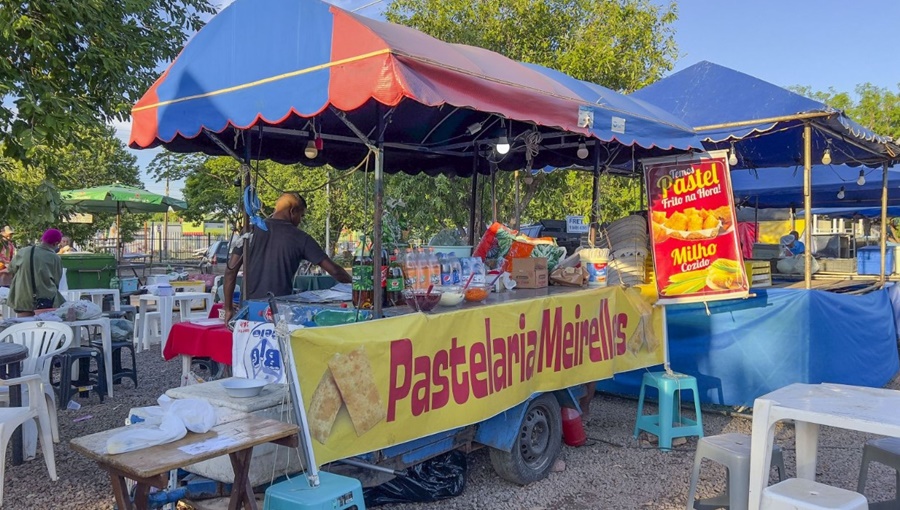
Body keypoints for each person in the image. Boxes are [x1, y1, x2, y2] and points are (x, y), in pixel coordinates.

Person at [223, 192, 351, 323]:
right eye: (301, 216)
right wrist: (356, 287)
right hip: (279, 314)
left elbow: (230, 271)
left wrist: (228, 309)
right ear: (292, 211)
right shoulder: (301, 238)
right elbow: (334, 270)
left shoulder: (250, 231)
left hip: (248, 312)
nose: (300, 221)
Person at [7, 228, 66, 316]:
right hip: (45, 301)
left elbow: (11, 269)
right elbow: (56, 280)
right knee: (43, 327)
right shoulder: (55, 258)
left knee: (24, 326)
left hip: (23, 298)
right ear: (56, 243)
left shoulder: (24, 251)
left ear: (42, 239)